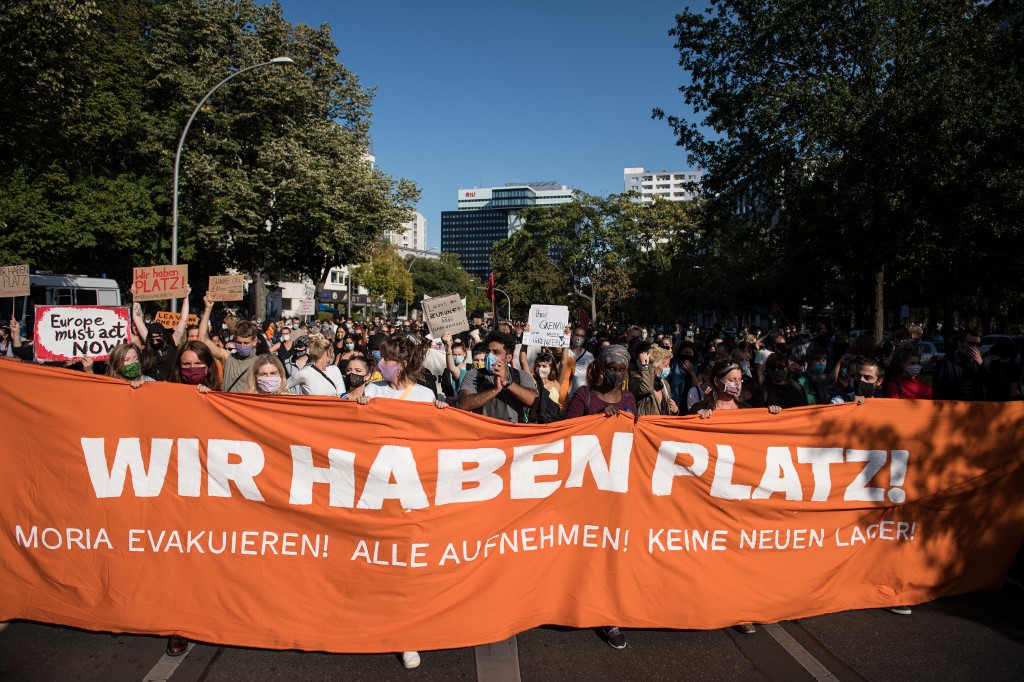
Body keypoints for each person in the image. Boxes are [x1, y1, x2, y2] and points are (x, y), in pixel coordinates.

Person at [354, 335, 445, 671]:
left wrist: (442, 414)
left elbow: (436, 437)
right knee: (374, 558)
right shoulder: (373, 391)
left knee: (407, 563)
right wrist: (357, 403)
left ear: (402, 364)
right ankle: (374, 621)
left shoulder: (424, 395)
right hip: (375, 487)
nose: (380, 363)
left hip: (409, 490)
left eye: (387, 359)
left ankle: (408, 636)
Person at [561, 343, 635, 649]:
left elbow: (640, 435)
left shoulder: (629, 398)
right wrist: (596, 421)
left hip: (618, 486)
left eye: (621, 370)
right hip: (586, 486)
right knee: (586, 549)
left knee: (613, 550)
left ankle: (610, 615)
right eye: (611, 368)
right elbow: (565, 432)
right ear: (599, 368)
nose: (616, 374)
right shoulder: (585, 396)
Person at [458, 331, 538, 423]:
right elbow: (463, 404)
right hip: (486, 433)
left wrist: (508, 383)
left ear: (509, 358)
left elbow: (534, 402)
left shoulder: (520, 375)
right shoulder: (474, 374)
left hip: (514, 434)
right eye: (488, 352)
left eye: (496, 352)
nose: (490, 356)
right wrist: (494, 390)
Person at [199, 293, 265, 393]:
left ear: (254, 342)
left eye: (246, 343)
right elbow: (202, 339)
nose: (242, 346)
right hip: (227, 406)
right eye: (239, 342)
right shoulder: (227, 358)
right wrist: (208, 308)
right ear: (234, 341)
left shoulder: (260, 363)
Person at [629, 344, 680, 416]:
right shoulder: (636, 380)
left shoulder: (664, 383)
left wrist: (675, 411)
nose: (669, 368)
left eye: (669, 365)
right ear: (655, 366)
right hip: (646, 425)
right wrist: (645, 366)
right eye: (665, 365)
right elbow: (646, 389)